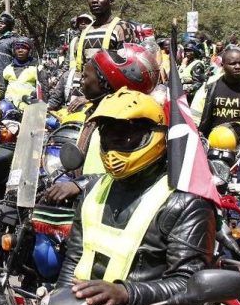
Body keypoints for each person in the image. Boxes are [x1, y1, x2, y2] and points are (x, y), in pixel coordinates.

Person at [56, 88, 216, 305]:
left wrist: (126, 293)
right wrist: (60, 300)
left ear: (155, 135)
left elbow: (190, 287)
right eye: (108, 137)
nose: (113, 149)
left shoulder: (186, 202)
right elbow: (74, 258)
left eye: (124, 138)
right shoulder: (93, 191)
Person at [45, 44, 160, 203]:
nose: (81, 82)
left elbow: (126, 176)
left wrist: (80, 184)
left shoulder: (128, 126)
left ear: (106, 83)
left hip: (111, 205)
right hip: (89, 199)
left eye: (85, 77)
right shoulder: (94, 112)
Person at [191, 46, 240, 136]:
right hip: (211, 142)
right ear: (223, 66)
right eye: (233, 63)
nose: (237, 67)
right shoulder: (210, 85)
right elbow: (195, 113)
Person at [72, 0, 134, 72]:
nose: (94, 1)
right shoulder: (85, 31)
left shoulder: (121, 27)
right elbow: (80, 63)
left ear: (111, 1)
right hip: (86, 84)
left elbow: (128, 64)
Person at [2, 37, 49, 108]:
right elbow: (2, 88)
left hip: (29, 108)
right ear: (14, 50)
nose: (20, 50)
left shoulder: (37, 68)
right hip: (9, 107)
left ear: (30, 51)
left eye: (24, 47)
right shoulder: (7, 69)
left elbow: (44, 92)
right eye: (17, 48)